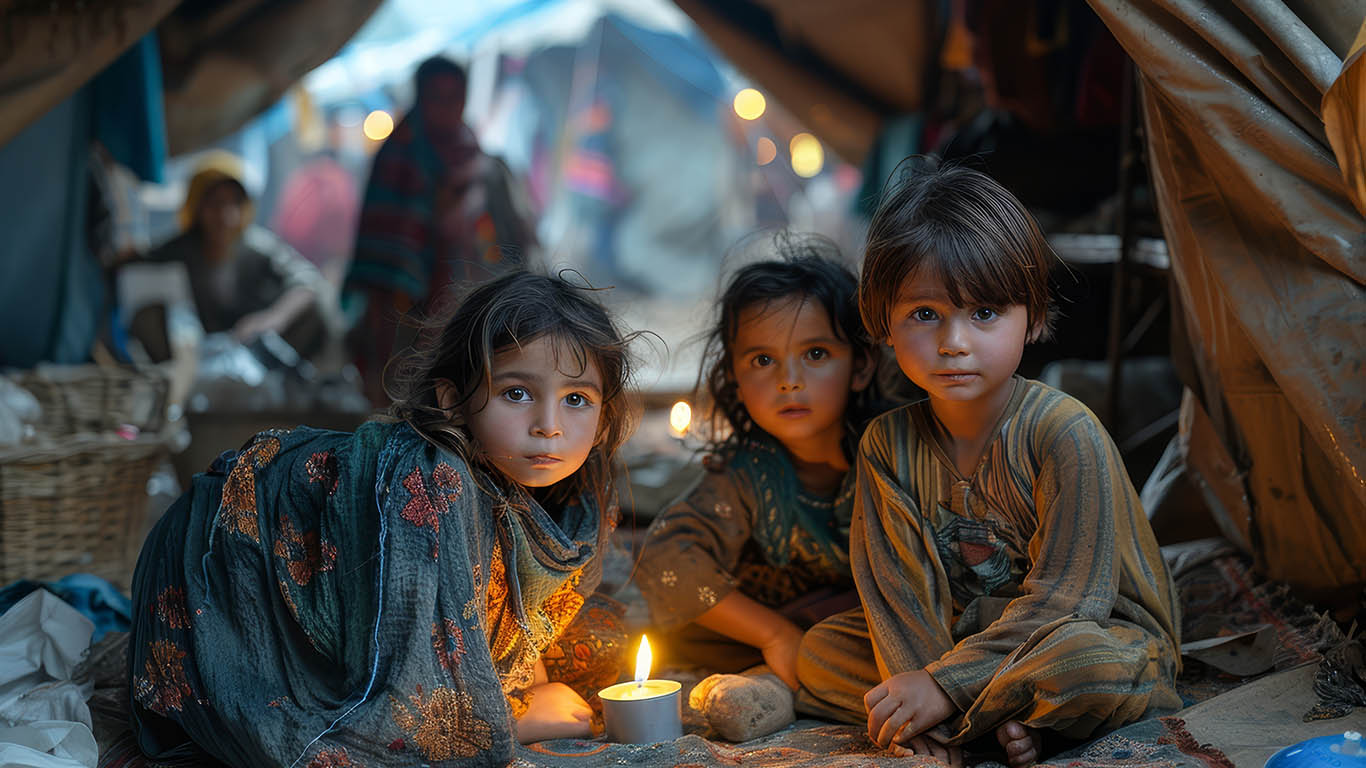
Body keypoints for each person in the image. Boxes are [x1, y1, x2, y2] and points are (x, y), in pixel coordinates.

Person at [127, 271, 639, 767]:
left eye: (576, 399)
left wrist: (524, 668)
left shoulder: (581, 501)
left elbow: (511, 606)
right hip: (221, 580)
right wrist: (514, 713)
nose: (549, 427)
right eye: (517, 393)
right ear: (452, 401)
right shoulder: (433, 481)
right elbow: (402, 673)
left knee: (601, 643)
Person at [797, 162, 1181, 767]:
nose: (954, 342)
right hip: (963, 634)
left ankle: (958, 724)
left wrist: (943, 689)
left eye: (984, 313)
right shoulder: (886, 445)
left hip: (1092, 630)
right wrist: (919, 682)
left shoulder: (1063, 431)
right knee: (818, 652)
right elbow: (900, 596)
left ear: (1030, 316)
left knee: (1086, 667)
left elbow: (1067, 602)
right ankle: (1003, 724)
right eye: (925, 314)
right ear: (883, 323)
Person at [636, 234, 886, 696]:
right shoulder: (745, 474)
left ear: (862, 365)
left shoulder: (894, 451)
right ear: (734, 374)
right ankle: (786, 665)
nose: (789, 381)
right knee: (677, 623)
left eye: (815, 354)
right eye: (763, 360)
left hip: (870, 621)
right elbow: (665, 558)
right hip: (777, 621)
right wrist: (774, 634)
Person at [345, 56, 535, 407]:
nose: (447, 108)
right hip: (402, 296)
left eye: (455, 98)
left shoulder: (471, 148)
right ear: (420, 99)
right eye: (437, 98)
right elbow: (383, 248)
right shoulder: (399, 154)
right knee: (401, 384)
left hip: (461, 281)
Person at [136, 151, 332, 357]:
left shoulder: (255, 246)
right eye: (216, 204)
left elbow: (306, 280)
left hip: (255, 351)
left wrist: (272, 319)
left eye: (234, 204)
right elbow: (140, 263)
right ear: (197, 206)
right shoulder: (180, 250)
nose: (226, 216)